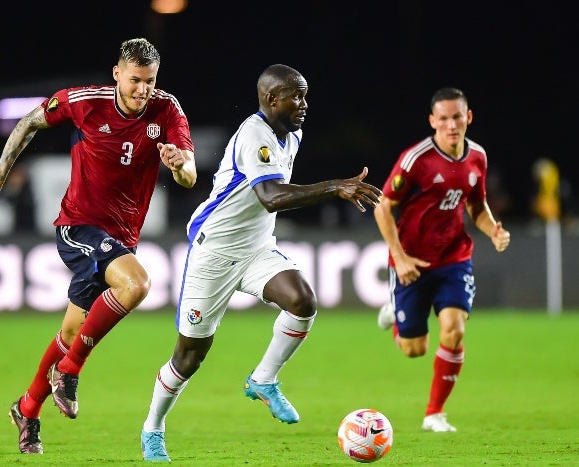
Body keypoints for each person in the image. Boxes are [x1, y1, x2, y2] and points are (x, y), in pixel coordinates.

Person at [138, 63, 383, 462]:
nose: (304, 104)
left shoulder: (293, 134)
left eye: (305, 95)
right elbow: (271, 196)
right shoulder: (255, 135)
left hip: (255, 249)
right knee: (189, 357)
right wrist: (335, 186)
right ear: (271, 99)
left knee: (303, 301)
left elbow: (271, 198)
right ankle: (153, 428)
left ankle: (263, 379)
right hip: (214, 252)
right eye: (296, 96)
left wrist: (331, 187)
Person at [0, 37, 197, 454]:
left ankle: (27, 408)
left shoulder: (167, 109)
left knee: (70, 332)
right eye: (135, 80)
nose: (142, 90)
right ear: (117, 74)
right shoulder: (84, 101)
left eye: (149, 81)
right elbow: (28, 123)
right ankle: (71, 370)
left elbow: (189, 175)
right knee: (136, 285)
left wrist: (179, 164)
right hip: (78, 226)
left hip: (119, 238)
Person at [374, 87, 511, 433]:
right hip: (412, 261)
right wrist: (400, 258)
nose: (452, 124)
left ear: (469, 117)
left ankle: (435, 413)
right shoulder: (416, 159)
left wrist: (493, 229)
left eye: (457, 117)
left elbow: (476, 207)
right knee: (413, 349)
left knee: (454, 329)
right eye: (444, 118)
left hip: (454, 257)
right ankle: (396, 317)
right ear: (433, 121)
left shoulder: (477, 157)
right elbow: (383, 207)